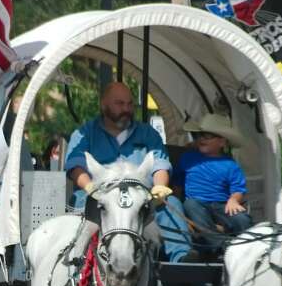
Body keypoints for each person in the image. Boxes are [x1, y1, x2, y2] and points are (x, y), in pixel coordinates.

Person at [64, 82, 191, 264]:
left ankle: (182, 259)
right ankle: (77, 261)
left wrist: (160, 186)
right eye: (119, 103)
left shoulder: (148, 133)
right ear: (104, 105)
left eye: (130, 104)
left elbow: (160, 163)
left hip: (141, 196)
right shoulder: (85, 133)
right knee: (80, 203)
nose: (126, 109)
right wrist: (90, 187)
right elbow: (76, 165)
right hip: (99, 194)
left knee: (172, 203)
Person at [176, 113, 253, 252]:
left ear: (222, 142)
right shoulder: (188, 157)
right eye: (200, 135)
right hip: (196, 204)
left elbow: (238, 189)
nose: (201, 139)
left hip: (222, 205)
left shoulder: (230, 164)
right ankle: (222, 246)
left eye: (208, 136)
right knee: (190, 204)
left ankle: (248, 249)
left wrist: (233, 200)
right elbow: (177, 183)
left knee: (243, 219)